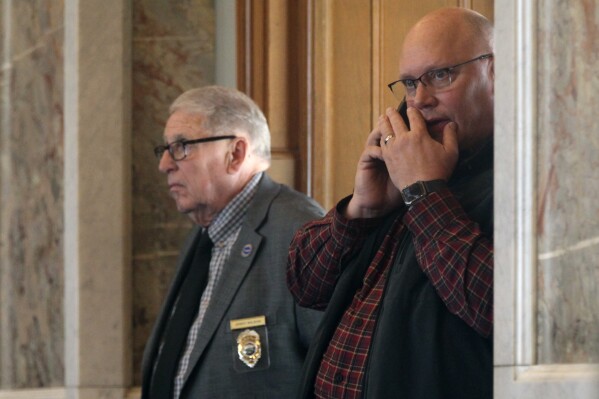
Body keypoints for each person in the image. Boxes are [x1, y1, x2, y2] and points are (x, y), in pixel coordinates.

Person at [287, 7, 494, 399]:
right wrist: (361, 210)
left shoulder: (526, 183)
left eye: (440, 75)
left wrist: (423, 191)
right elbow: (306, 286)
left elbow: (503, 312)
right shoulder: (399, 172)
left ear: (496, 73)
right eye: (409, 83)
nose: (419, 101)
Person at [141, 85, 325, 399]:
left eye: (182, 146)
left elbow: (338, 372)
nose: (165, 164)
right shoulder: (202, 240)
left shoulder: (300, 231)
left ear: (235, 153)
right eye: (166, 149)